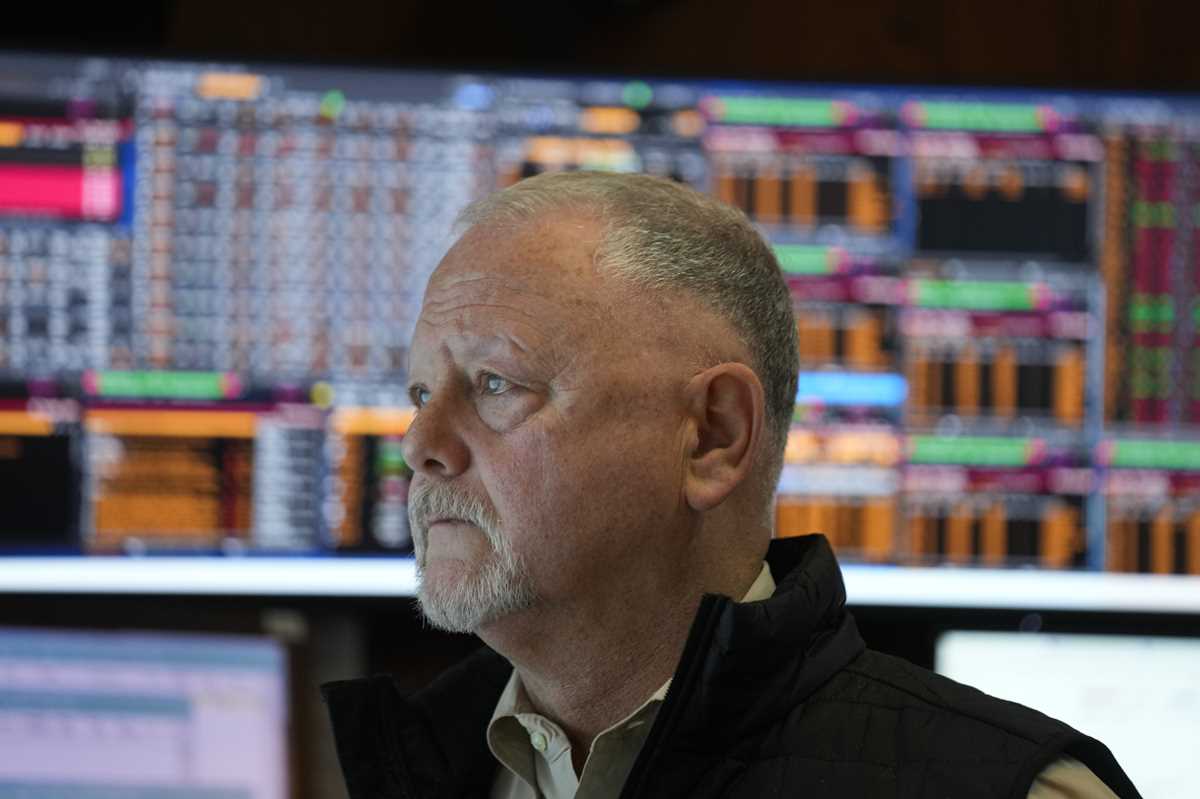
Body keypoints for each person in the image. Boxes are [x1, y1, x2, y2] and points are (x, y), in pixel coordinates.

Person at [322, 172, 1140, 799]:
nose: (420, 445)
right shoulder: (407, 766)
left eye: (496, 383)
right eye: (421, 394)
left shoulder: (1009, 790)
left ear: (713, 435)